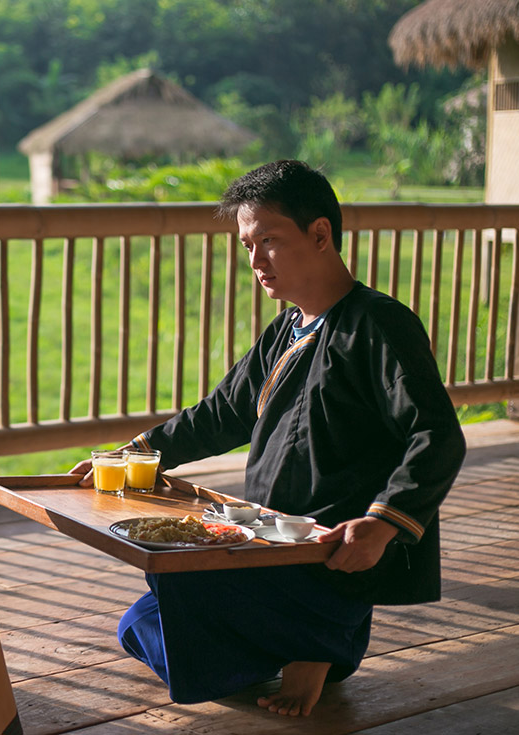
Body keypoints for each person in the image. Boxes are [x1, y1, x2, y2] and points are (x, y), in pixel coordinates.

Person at [70, 160, 465, 716]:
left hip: (325, 560)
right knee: (139, 618)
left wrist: (381, 523)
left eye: (269, 242)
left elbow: (436, 434)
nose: (255, 261)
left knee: (182, 589)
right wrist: (138, 452)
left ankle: (318, 645)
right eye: (247, 245)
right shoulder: (287, 328)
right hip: (266, 542)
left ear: (321, 234)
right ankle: (298, 651)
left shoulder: (377, 324)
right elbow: (221, 414)